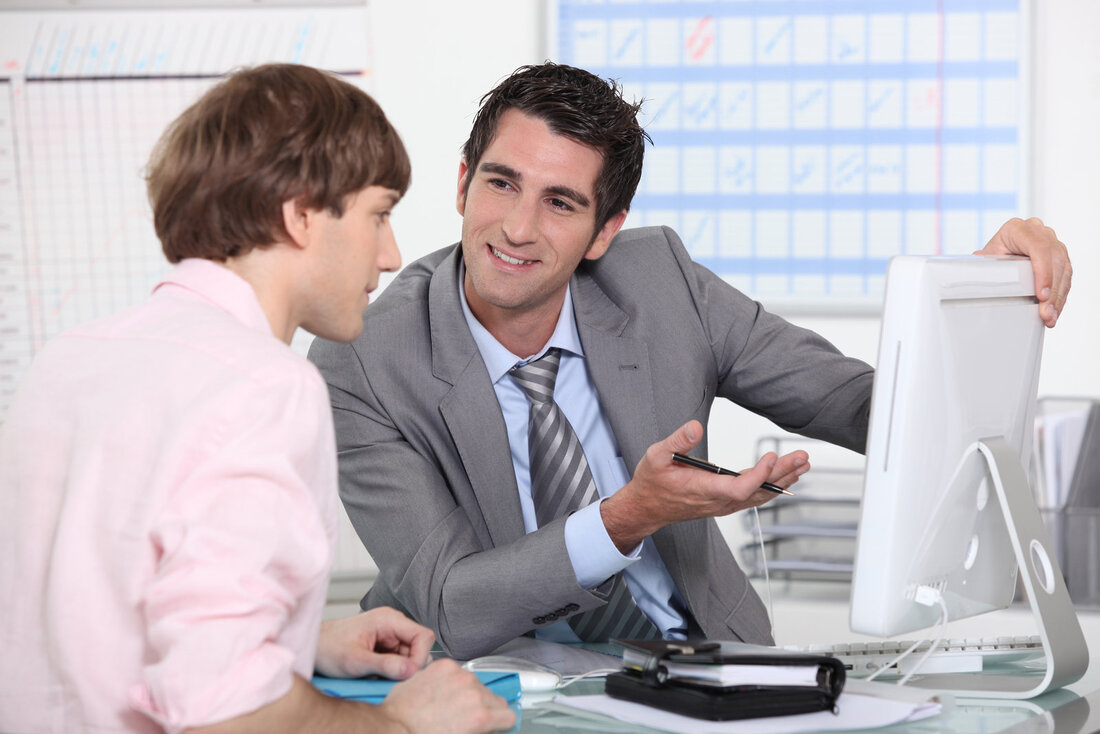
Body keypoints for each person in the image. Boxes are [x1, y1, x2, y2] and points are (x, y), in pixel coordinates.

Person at [307, 62, 1073, 660]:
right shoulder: (365, 359)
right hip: (495, 682)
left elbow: (865, 407)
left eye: (561, 203)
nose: (515, 227)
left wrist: (977, 302)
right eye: (502, 184)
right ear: (464, 182)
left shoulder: (658, 280)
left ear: (605, 230)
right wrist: (625, 518)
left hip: (706, 665)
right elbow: (451, 601)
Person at [0, 64, 515, 734]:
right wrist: (403, 725)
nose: (390, 255)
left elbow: (89, 621)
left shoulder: (71, 358)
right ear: (300, 213)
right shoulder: (266, 385)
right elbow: (226, 714)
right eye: (379, 214)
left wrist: (302, 642)